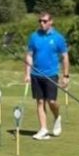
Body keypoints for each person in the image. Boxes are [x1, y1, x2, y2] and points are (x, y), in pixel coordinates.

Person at [24, 11, 70, 140]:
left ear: (51, 22)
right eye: (40, 21)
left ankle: (57, 117)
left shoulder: (58, 38)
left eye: (44, 21)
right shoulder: (34, 36)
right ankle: (43, 129)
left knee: (52, 101)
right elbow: (29, 55)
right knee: (39, 102)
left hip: (51, 74)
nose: (42, 23)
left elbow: (65, 56)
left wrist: (66, 76)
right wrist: (27, 73)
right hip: (36, 74)